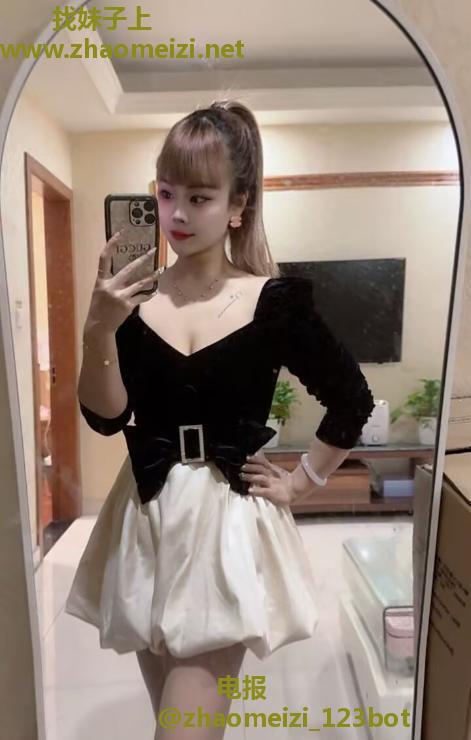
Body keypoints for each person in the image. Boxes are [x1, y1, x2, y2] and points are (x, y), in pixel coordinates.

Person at [65, 99, 375, 739]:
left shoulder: (273, 303)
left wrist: (302, 482)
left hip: (225, 525)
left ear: (239, 205)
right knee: (176, 720)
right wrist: (98, 330)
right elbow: (106, 417)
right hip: (144, 518)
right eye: (166, 193)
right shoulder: (132, 300)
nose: (177, 213)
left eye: (200, 197)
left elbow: (351, 398)